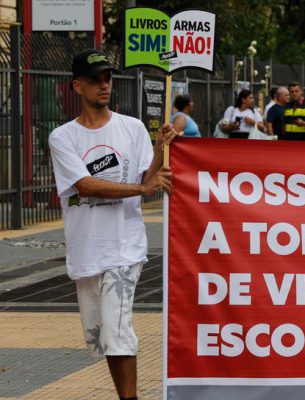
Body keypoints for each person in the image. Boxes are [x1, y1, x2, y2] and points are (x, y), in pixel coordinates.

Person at [47, 49, 178, 400]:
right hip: (87, 250)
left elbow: (146, 179)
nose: (104, 85)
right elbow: (85, 185)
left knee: (117, 329)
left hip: (124, 247)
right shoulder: (63, 137)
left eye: (108, 78)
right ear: (78, 86)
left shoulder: (132, 128)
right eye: (95, 79)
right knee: (102, 336)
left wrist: (159, 149)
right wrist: (143, 188)